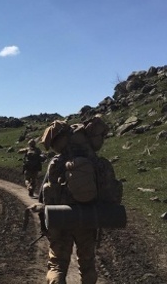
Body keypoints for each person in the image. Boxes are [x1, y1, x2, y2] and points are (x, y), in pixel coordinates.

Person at [38, 119, 109, 284]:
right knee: (87, 265)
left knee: (57, 265)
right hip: (88, 218)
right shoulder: (94, 161)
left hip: (61, 220)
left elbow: (45, 195)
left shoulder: (57, 163)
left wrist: (45, 223)